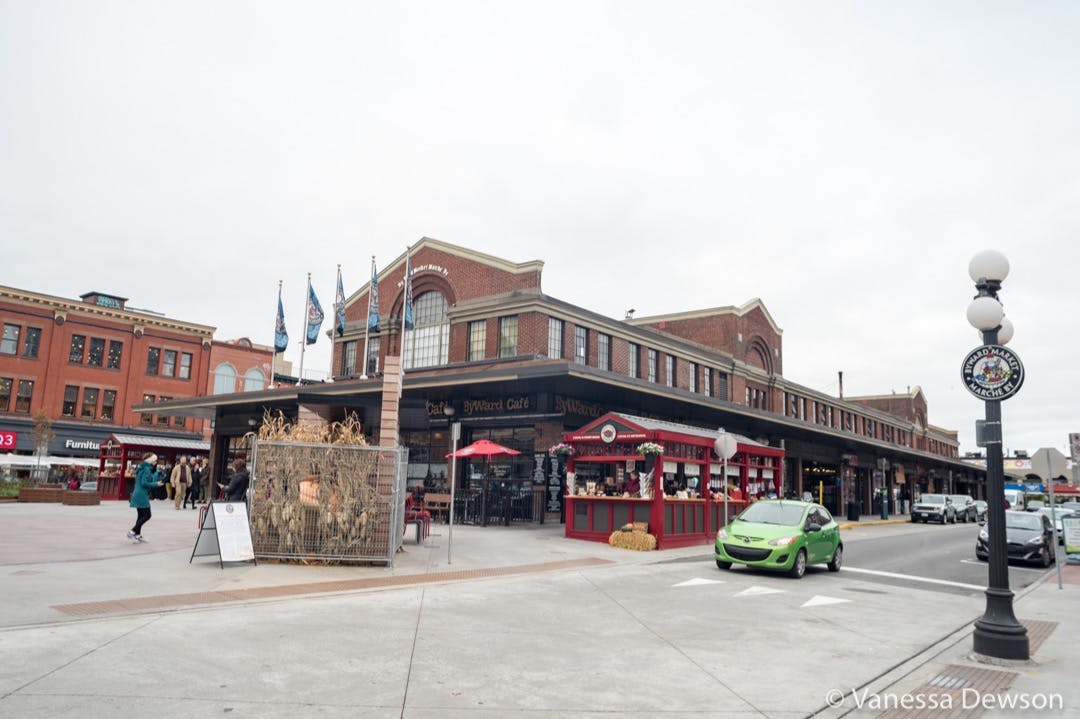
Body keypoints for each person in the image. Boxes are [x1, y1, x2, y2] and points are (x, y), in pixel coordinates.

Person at [127, 452, 163, 543]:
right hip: (142, 495)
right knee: (147, 515)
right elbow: (144, 483)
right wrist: (156, 484)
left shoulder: (141, 467)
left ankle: (137, 535)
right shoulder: (147, 469)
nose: (156, 462)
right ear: (150, 461)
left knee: (140, 516)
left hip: (137, 493)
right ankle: (132, 531)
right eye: (155, 460)